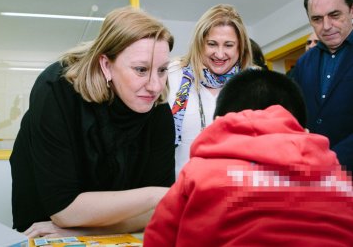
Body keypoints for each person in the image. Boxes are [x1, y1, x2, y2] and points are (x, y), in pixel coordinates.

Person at [9, 6, 176, 238]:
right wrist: (156, 195)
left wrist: (85, 230)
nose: (155, 86)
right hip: (44, 222)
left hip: (101, 231)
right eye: (141, 70)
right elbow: (63, 209)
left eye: (162, 70)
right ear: (106, 65)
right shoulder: (55, 89)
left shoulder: (157, 106)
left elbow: (163, 213)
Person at [144, 69, 353, 246]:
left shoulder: (198, 173)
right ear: (303, 130)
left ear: (218, 122)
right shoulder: (339, 178)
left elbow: (158, 239)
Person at [168, 4, 253, 177]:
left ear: (240, 47)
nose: (220, 54)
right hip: (180, 191)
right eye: (212, 44)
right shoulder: (172, 75)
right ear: (200, 44)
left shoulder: (254, 82)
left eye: (228, 45)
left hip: (237, 192)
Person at [291, 0, 353, 173]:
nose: (326, 26)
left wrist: (331, 161)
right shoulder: (303, 63)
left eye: (334, 15)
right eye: (317, 19)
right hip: (314, 176)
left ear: (351, 10)